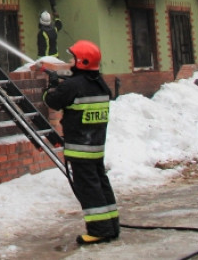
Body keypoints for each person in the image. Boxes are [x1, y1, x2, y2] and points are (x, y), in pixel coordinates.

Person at [43, 40, 119, 246]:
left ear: (82, 61)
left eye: (73, 58)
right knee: (101, 183)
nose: (69, 61)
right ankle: (111, 225)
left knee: (88, 188)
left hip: (79, 147)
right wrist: (64, 83)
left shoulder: (73, 85)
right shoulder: (99, 83)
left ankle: (99, 230)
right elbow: (79, 93)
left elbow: (52, 101)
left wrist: (51, 86)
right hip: (95, 146)